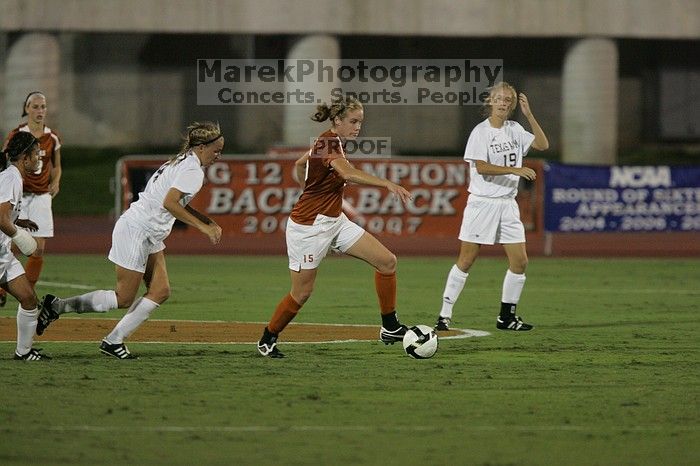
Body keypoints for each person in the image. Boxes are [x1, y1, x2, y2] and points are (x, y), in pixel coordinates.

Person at [36, 122, 224, 359]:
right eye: (216, 150)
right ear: (201, 147)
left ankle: (113, 341)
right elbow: (170, 203)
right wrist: (203, 228)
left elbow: (176, 201)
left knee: (160, 290)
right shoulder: (193, 170)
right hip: (138, 230)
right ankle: (57, 307)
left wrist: (207, 221)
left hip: (148, 231)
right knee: (123, 298)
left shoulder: (184, 160)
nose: (218, 155)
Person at [257, 95, 412, 358]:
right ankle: (268, 338)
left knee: (387, 262)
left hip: (335, 221)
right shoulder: (328, 143)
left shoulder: (329, 141)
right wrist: (386, 183)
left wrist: (307, 189)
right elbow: (348, 173)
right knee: (302, 292)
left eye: (360, 122)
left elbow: (300, 164)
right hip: (308, 228)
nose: (357, 127)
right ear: (337, 120)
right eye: (352, 121)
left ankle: (390, 327)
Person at [434, 82, 549, 332]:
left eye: (508, 100)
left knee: (520, 262)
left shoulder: (515, 128)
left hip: (507, 205)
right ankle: (444, 315)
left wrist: (529, 115)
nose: (504, 103)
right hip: (482, 203)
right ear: (490, 101)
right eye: (499, 98)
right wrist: (515, 169)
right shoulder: (480, 132)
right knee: (466, 260)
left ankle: (506, 317)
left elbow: (542, 145)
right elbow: (482, 167)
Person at [0, 92, 62, 309]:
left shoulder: (52, 137)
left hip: (41, 197)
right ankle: (7, 287)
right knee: (12, 241)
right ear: (26, 109)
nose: (40, 111)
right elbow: (4, 160)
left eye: (43, 106)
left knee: (37, 249)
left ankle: (26, 291)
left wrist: (56, 181)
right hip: (17, 196)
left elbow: (57, 165)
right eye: (35, 106)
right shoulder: (17, 135)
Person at [0, 131, 49, 360]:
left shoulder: (14, 178)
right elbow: (0, 219)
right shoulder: (11, 178)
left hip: (4, 255)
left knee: (29, 299)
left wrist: (19, 221)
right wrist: (20, 236)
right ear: (24, 158)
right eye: (36, 154)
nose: (39, 158)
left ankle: (23, 352)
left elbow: (6, 215)